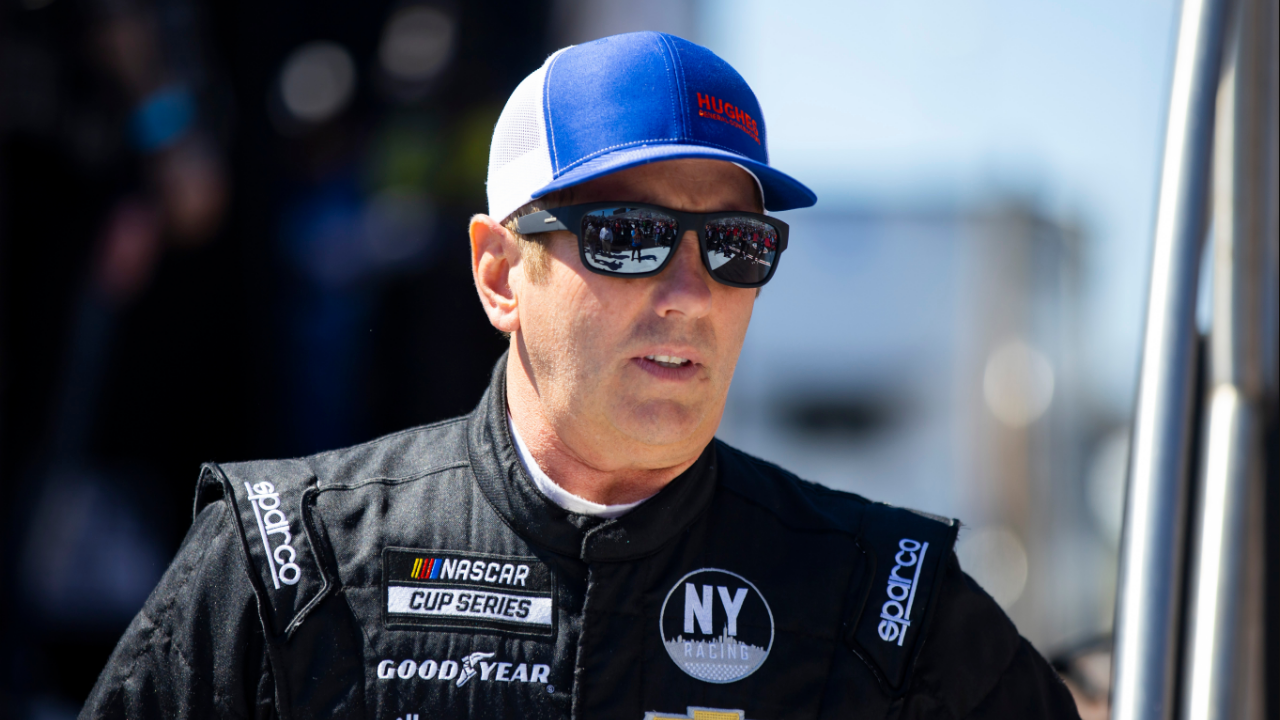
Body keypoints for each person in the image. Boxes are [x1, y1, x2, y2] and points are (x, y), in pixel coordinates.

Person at [80, 32, 1080, 719]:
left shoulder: (884, 601)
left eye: (734, 245)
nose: (690, 292)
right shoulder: (288, 562)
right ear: (499, 273)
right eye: (632, 237)